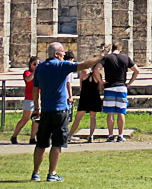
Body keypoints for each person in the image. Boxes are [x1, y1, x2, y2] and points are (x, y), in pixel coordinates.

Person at [31, 41, 106, 182]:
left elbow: (36, 90)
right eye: (62, 53)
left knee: (41, 143)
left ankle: (36, 173)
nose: (64, 55)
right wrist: (100, 56)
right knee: (57, 143)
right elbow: (84, 65)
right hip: (60, 110)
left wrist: (37, 108)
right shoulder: (61, 66)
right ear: (56, 54)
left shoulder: (40, 68)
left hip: (45, 111)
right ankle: (51, 173)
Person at [101, 42, 139, 142]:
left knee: (110, 113)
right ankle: (121, 135)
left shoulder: (107, 58)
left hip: (109, 87)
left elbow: (96, 69)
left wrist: (101, 81)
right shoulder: (125, 58)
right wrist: (130, 83)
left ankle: (110, 135)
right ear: (120, 49)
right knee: (121, 112)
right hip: (121, 87)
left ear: (111, 49)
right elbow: (137, 70)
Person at [70, 61, 105, 143]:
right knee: (93, 117)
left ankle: (69, 135)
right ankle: (91, 136)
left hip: (85, 97)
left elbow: (81, 86)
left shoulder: (84, 72)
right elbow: (100, 88)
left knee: (78, 118)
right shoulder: (98, 75)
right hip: (95, 97)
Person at [11, 56, 40, 145]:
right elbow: (28, 79)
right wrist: (35, 71)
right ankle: (14, 136)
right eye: (34, 64)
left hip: (38, 99)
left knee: (36, 119)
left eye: (38, 64)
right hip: (29, 99)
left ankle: (32, 138)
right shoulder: (27, 73)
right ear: (30, 65)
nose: (36, 66)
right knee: (25, 118)